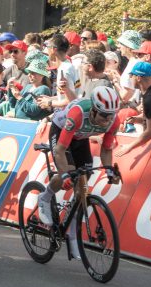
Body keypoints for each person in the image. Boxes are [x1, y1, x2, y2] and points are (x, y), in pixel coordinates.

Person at [36, 86, 122, 259]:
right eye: (104, 115)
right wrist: (65, 175)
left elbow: (106, 149)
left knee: (82, 185)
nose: (108, 120)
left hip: (81, 138)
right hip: (61, 133)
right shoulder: (78, 113)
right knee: (67, 172)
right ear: (94, 110)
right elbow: (60, 150)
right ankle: (45, 196)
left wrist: (110, 171)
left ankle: (73, 235)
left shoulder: (114, 121)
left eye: (111, 115)